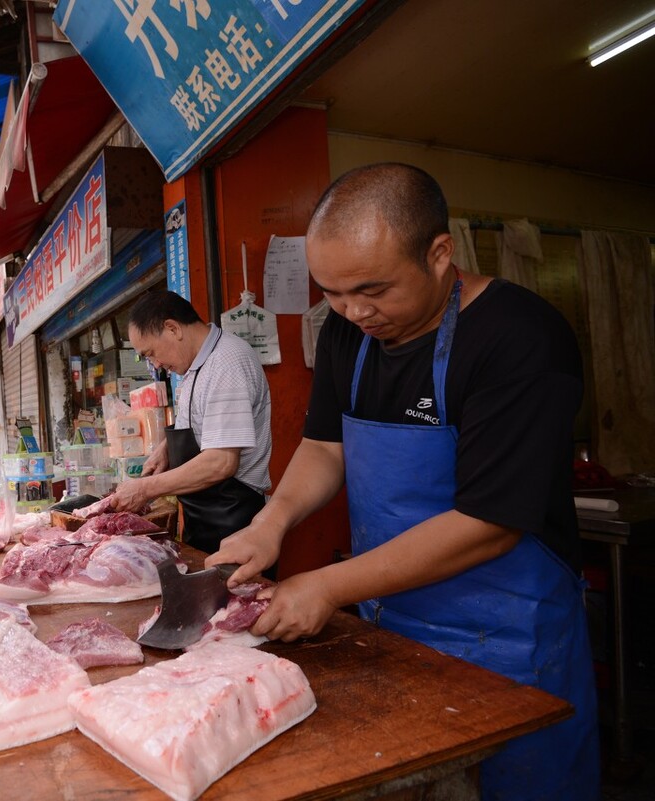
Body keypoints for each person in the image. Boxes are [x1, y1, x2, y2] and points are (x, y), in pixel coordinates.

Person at [208, 163, 598, 799]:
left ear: (440, 253)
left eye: (373, 289)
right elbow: (324, 445)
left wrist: (326, 585)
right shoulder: (348, 333)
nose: (354, 311)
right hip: (390, 622)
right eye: (331, 292)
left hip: (508, 637)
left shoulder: (519, 338)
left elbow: (489, 523)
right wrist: (270, 523)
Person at [111, 290, 272, 553]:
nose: (156, 364)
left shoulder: (226, 362)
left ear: (173, 328)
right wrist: (166, 450)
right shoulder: (195, 366)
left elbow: (221, 462)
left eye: (151, 353)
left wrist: (145, 489)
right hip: (204, 519)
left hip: (235, 522)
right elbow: (200, 425)